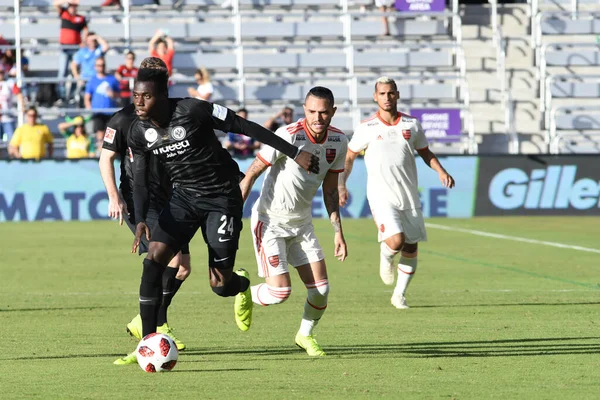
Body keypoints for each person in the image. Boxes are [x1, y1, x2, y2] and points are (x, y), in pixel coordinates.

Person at [122, 65, 319, 362]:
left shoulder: (194, 110)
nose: (138, 102)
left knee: (219, 285)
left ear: (162, 96)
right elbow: (139, 176)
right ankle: (147, 345)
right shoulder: (138, 131)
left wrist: (294, 152)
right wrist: (139, 219)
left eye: (145, 96)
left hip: (222, 199)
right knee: (153, 262)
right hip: (183, 198)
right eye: (135, 95)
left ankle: (239, 284)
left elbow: (244, 126)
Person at [237, 86, 348, 357]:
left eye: (323, 112)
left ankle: (304, 335)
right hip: (270, 222)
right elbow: (251, 173)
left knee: (321, 290)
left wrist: (338, 233)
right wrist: (232, 216)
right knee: (280, 293)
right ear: (304, 109)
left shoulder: (338, 142)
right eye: (311, 111)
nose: (317, 118)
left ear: (333, 112)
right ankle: (244, 292)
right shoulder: (288, 135)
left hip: (303, 225)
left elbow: (331, 190)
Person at [98, 58, 191, 365]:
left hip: (173, 199)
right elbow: (105, 159)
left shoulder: (175, 115)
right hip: (140, 201)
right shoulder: (123, 119)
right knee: (170, 260)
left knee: (182, 268)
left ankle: (147, 324)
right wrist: (115, 198)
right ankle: (153, 331)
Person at [338, 76, 455, 309]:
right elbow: (349, 157)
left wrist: (441, 171)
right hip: (381, 195)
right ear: (375, 97)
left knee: (411, 247)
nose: (387, 97)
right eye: (382, 93)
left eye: (391, 93)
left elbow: (425, 152)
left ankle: (399, 294)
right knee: (397, 240)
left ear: (397, 95)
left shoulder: (411, 124)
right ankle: (385, 255)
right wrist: (342, 184)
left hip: (409, 195)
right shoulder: (366, 127)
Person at [84, 57, 120, 156]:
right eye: (99, 65)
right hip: (98, 111)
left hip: (110, 111)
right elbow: (87, 96)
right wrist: (88, 107)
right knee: (99, 131)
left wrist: (113, 95)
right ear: (95, 67)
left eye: (103, 65)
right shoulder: (92, 80)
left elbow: (119, 94)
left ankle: (109, 151)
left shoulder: (112, 79)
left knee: (110, 133)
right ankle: (101, 151)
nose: (101, 67)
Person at [54, 0, 87, 102]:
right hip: (64, 48)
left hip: (75, 48)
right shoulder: (64, 13)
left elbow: (85, 30)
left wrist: (83, 41)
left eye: (74, 6)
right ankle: (61, 95)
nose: (73, 7)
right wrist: (68, 0)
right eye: (71, 6)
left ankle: (72, 94)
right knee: (62, 72)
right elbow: (55, 3)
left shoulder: (80, 18)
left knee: (74, 72)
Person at [71, 32, 110, 105]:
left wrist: (97, 37)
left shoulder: (98, 50)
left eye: (93, 40)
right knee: (84, 98)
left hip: (97, 79)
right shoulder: (83, 51)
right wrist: (77, 77)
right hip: (86, 79)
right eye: (90, 40)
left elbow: (106, 46)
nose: (91, 42)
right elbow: (73, 64)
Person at [0, 67, 23, 142]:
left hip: (8, 116)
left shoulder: (9, 82)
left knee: (12, 142)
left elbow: (18, 93)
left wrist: (22, 105)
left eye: (1, 72)